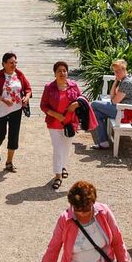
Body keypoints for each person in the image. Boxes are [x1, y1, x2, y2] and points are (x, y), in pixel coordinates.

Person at [0, 52, 32, 173]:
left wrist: (26, 97)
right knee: (0, 135)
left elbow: (28, 88)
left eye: (15, 62)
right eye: (11, 63)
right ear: (4, 63)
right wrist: (3, 99)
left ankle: (9, 162)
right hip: (0, 110)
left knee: (14, 136)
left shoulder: (19, 74)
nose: (14, 65)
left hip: (16, 110)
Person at [40, 61, 82, 190]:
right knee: (58, 149)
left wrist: (77, 104)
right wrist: (55, 114)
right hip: (54, 123)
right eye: (59, 71)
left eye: (64, 70)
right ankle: (58, 175)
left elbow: (82, 100)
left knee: (66, 148)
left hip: (70, 123)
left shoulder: (73, 86)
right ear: (55, 74)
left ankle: (63, 166)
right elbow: (43, 105)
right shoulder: (49, 87)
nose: (62, 73)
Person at [90, 59, 132, 151]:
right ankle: (103, 143)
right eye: (115, 71)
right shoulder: (124, 79)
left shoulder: (127, 83)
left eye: (118, 71)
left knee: (94, 104)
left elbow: (113, 101)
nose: (116, 73)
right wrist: (115, 81)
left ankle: (84, 118)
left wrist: (113, 98)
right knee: (96, 113)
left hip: (126, 114)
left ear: (124, 69)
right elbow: (112, 97)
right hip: (123, 109)